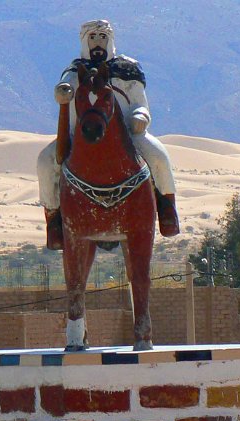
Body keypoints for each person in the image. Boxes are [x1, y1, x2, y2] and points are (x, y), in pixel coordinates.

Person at [36, 19, 179, 249]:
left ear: (110, 39)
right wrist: (64, 91)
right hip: (79, 137)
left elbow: (140, 104)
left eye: (102, 37)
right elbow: (65, 87)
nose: (97, 43)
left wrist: (140, 118)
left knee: (159, 157)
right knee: (45, 161)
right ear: (84, 41)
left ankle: (167, 209)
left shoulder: (128, 70)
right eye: (92, 38)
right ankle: (53, 218)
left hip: (130, 136)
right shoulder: (75, 71)